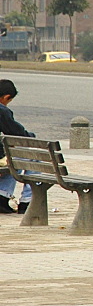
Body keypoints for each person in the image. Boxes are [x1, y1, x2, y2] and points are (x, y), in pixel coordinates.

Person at [0, 79, 35, 214]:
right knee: (33, 158)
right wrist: (32, 135)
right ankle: (27, 202)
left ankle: (3, 196)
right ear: (6, 97)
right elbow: (17, 133)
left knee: (14, 159)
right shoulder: (1, 110)